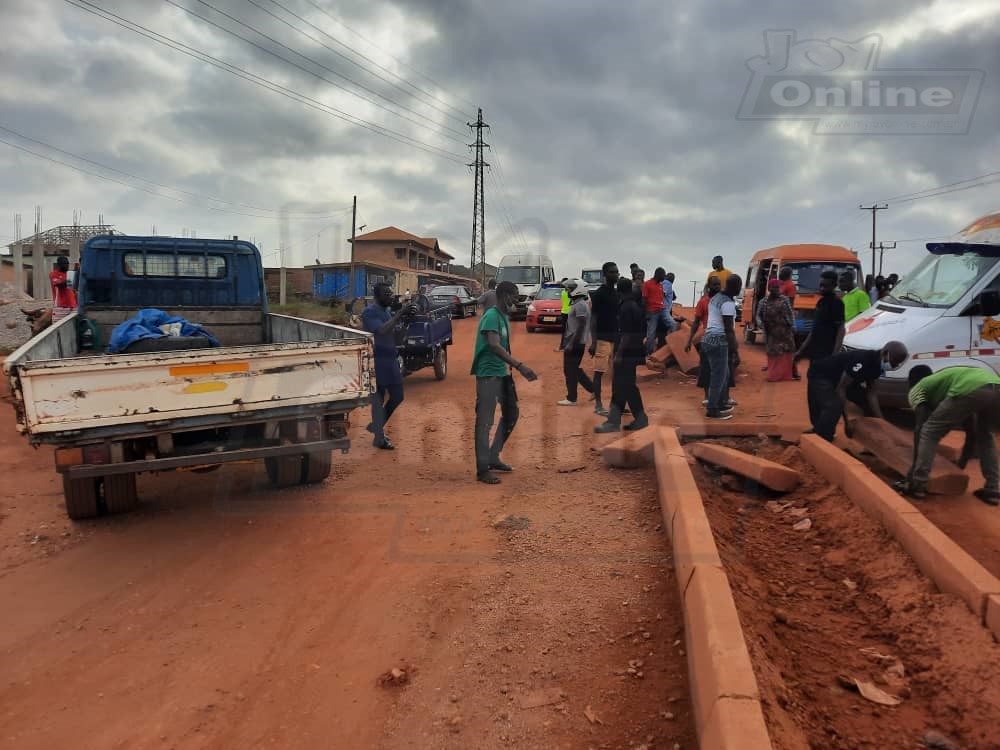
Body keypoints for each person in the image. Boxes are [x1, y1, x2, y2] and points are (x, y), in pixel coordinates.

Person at [898, 365, 1000, 504]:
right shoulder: (946, 386)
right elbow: (971, 433)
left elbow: (921, 428)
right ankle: (992, 489)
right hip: (995, 386)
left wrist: (913, 469)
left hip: (971, 387)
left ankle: (917, 485)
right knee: (986, 436)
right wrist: (961, 464)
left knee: (929, 431)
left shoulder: (917, 389)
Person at [472, 281, 538, 484]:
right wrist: (519, 365)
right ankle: (483, 470)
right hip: (488, 375)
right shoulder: (491, 316)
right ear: (503, 295)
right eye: (514, 295)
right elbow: (493, 345)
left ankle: (493, 455)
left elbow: (502, 347)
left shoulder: (503, 317)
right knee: (484, 422)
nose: (516, 299)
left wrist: (510, 368)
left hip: (501, 373)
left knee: (511, 413)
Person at [806, 341, 907, 442]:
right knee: (834, 406)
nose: (894, 366)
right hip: (822, 375)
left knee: (867, 404)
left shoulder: (878, 365)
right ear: (885, 353)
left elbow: (871, 393)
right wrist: (847, 421)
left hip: (845, 380)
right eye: (894, 362)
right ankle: (821, 439)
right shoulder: (862, 360)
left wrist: (881, 421)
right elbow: (841, 388)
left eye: (898, 364)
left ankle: (872, 441)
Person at [362, 283, 418, 450]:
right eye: (387, 294)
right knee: (378, 400)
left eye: (391, 293)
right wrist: (400, 314)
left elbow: (397, 337)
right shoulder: (370, 312)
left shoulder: (387, 312)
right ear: (377, 297)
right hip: (376, 361)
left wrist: (407, 321)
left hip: (390, 360)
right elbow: (381, 331)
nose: (391, 296)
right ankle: (379, 437)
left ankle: (376, 426)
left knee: (398, 396)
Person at [595, 278, 647, 433]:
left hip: (626, 353)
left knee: (620, 386)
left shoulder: (626, 307)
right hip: (633, 352)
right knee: (628, 387)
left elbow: (626, 334)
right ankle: (640, 419)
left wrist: (618, 354)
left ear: (619, 290)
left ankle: (613, 422)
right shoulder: (634, 306)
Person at [702, 274, 742, 420]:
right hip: (719, 341)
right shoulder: (728, 303)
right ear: (734, 287)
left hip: (708, 339)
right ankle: (712, 409)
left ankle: (719, 403)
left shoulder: (716, 298)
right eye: (739, 286)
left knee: (723, 373)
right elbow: (728, 329)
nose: (740, 289)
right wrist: (736, 351)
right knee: (718, 377)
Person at [795, 270, 844, 372]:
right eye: (821, 285)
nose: (822, 288)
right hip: (815, 352)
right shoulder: (821, 302)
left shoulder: (837, 303)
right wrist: (802, 349)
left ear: (834, 285)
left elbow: (841, 329)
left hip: (827, 352)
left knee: (823, 383)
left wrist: (835, 354)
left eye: (826, 286)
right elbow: (815, 328)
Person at [588, 262, 620, 417]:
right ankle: (598, 405)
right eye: (613, 272)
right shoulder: (599, 293)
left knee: (616, 373)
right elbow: (593, 319)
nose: (616, 274)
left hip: (615, 338)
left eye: (617, 272)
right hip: (602, 339)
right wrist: (593, 341)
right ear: (605, 274)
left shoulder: (616, 293)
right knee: (599, 372)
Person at [557, 280, 594, 406]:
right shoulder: (579, 303)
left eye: (570, 288)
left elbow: (581, 325)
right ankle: (593, 389)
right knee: (572, 369)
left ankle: (572, 398)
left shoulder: (580, 305)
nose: (567, 291)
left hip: (576, 342)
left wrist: (571, 343)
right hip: (576, 341)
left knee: (570, 369)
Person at [685, 279, 720, 404]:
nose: (718, 287)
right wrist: (689, 340)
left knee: (720, 369)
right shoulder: (703, 302)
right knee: (706, 368)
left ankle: (719, 396)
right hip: (708, 339)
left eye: (719, 284)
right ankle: (706, 396)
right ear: (709, 286)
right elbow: (695, 323)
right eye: (715, 284)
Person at [760, 279, 797, 381]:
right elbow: (758, 316)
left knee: (787, 352)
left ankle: (787, 375)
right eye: (774, 287)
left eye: (778, 287)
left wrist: (793, 326)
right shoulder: (763, 302)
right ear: (769, 288)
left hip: (785, 330)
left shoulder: (784, 300)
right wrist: (761, 324)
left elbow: (790, 313)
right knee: (773, 353)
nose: (776, 289)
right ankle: (773, 376)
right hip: (771, 331)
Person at [643, 267, 676, 356]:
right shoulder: (647, 284)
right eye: (663, 275)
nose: (664, 277)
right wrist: (646, 313)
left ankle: (673, 346)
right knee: (651, 334)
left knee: (673, 324)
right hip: (652, 311)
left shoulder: (660, 285)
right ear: (658, 274)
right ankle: (649, 353)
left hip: (662, 309)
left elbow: (663, 297)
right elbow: (644, 299)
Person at [50, 256, 78, 323]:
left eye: (67, 263)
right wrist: (73, 275)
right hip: (60, 307)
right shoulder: (53, 274)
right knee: (58, 328)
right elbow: (60, 285)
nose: (67, 265)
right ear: (59, 265)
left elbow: (73, 290)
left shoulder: (70, 274)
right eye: (64, 264)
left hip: (73, 306)